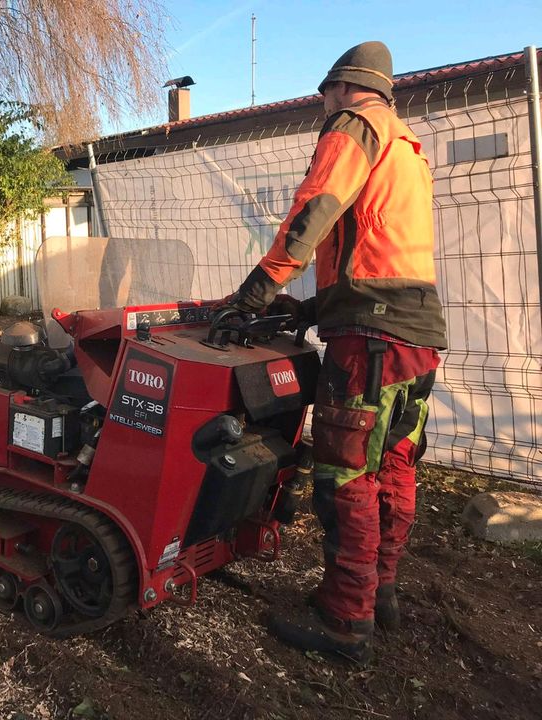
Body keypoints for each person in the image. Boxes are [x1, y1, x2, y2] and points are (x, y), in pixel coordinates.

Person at [225, 41, 447, 664]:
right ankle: (382, 592)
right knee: (394, 464)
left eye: (323, 98)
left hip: (370, 345)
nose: (322, 109)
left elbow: (313, 212)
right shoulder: (408, 148)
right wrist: (308, 310)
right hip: (418, 336)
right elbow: (382, 258)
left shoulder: (354, 125)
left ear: (340, 88)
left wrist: (257, 291)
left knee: (345, 472)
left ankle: (345, 619)